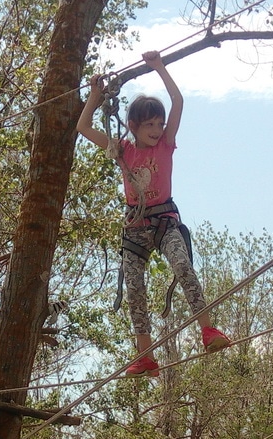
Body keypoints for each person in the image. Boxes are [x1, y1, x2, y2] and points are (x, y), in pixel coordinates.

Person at [76, 50, 230, 376]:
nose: (158, 129)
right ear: (133, 126)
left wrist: (159, 67)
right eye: (150, 124)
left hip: (163, 221)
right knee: (135, 288)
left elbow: (177, 100)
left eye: (159, 123)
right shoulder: (122, 150)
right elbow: (83, 126)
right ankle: (145, 355)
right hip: (134, 227)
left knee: (183, 265)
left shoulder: (166, 144)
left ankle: (207, 329)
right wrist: (93, 96)